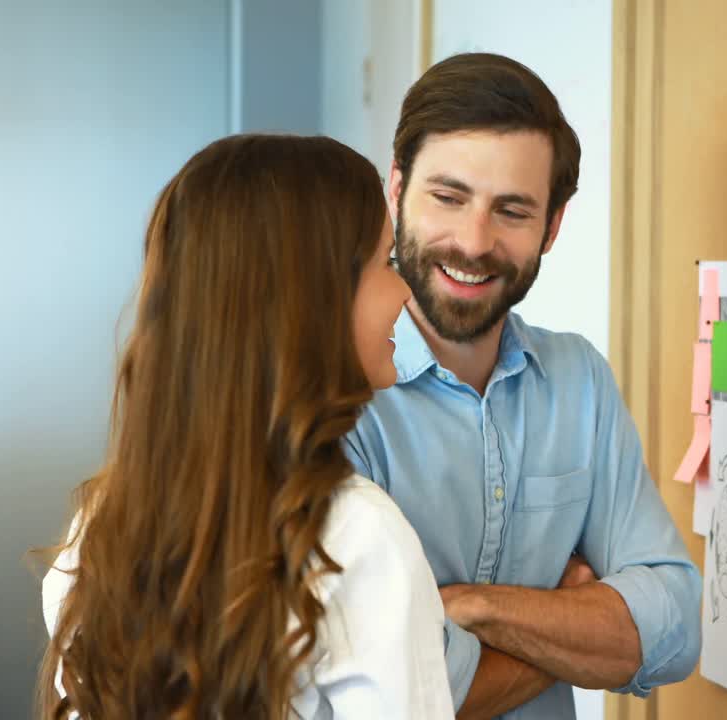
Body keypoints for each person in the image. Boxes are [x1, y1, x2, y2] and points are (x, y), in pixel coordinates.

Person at [37, 135, 452, 719]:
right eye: (384, 263)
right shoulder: (360, 539)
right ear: (308, 301)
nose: (405, 290)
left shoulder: (97, 530)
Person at [344, 52, 701, 719]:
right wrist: (569, 618)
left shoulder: (579, 381)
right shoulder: (338, 395)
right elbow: (396, 690)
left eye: (511, 211)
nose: (474, 242)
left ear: (553, 226)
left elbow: (676, 625)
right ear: (396, 192)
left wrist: (474, 606)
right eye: (448, 198)